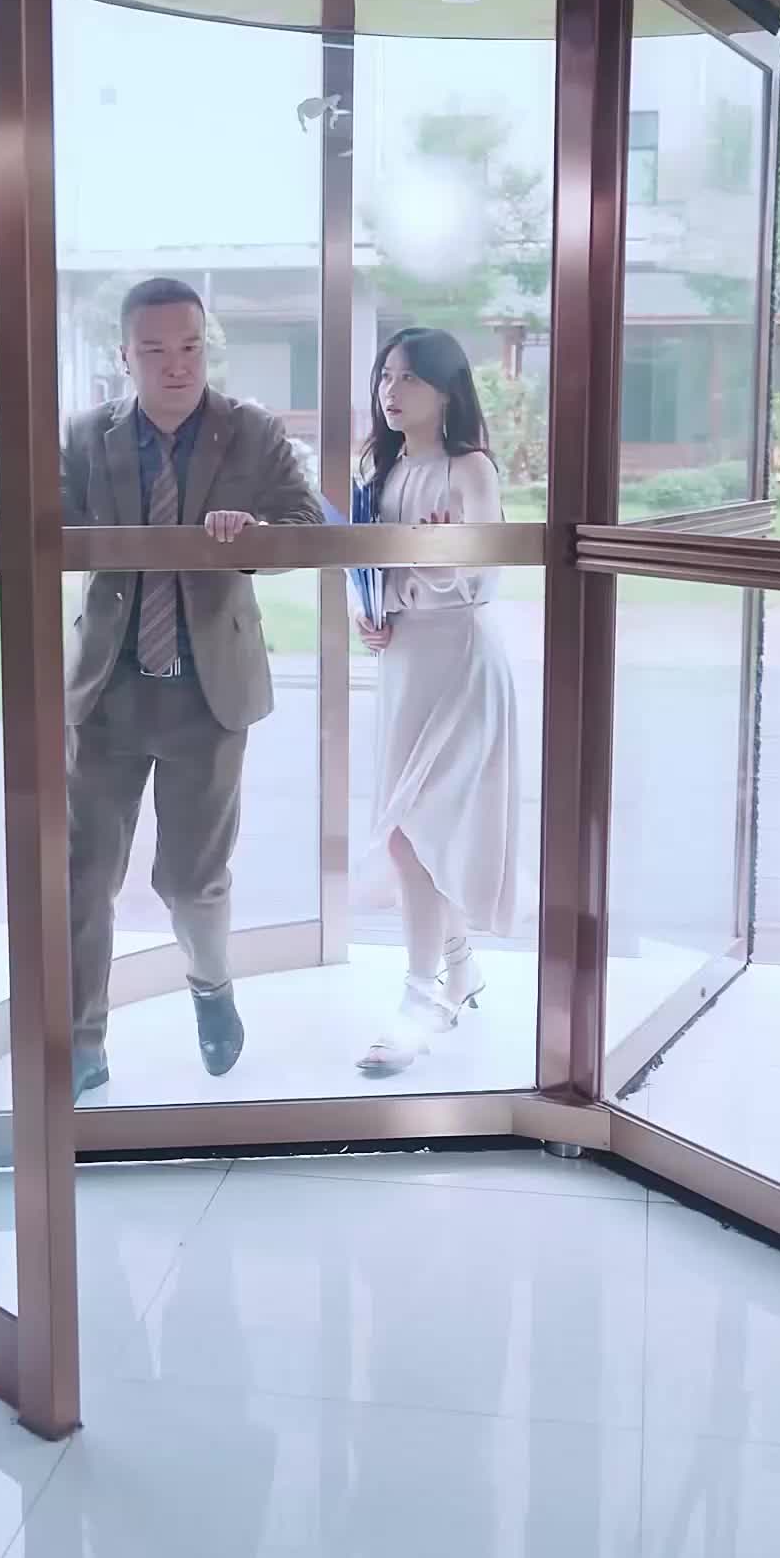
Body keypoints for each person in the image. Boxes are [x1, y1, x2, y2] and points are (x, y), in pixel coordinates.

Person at [62, 276, 324, 1100]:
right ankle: (81, 1039)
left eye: (190, 347)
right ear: (124, 357)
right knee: (81, 875)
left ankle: (211, 987)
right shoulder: (86, 437)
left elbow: (307, 528)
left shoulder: (251, 431)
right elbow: (46, 528)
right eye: (155, 350)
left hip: (207, 694)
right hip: (106, 691)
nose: (176, 365)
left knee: (188, 879)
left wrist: (255, 536)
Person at [353, 326, 519, 1078]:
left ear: (448, 390)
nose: (392, 391)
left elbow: (481, 577)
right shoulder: (383, 473)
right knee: (414, 830)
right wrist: (368, 613)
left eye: (410, 378)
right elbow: (374, 570)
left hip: (459, 663)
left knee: (412, 833)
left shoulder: (469, 467)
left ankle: (420, 1000)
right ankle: (459, 971)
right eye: (386, 376)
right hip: (405, 666)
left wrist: (435, 560)